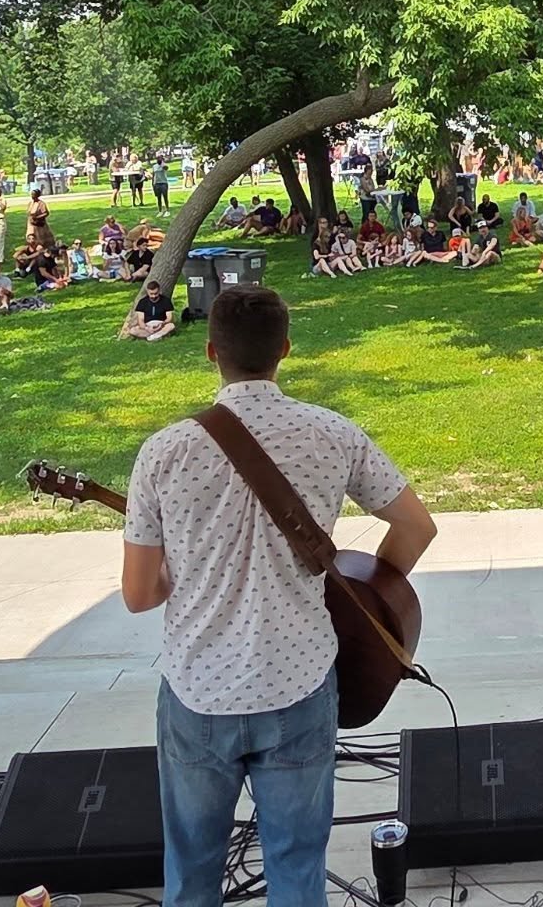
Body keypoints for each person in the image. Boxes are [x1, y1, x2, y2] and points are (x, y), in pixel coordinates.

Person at [120, 285, 435, 906]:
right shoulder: (333, 434)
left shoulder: (164, 452)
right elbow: (417, 526)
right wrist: (369, 594)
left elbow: (139, 594)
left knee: (192, 865)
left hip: (198, 692)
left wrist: (189, 568)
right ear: (284, 350)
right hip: (298, 685)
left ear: (211, 352)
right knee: (296, 863)